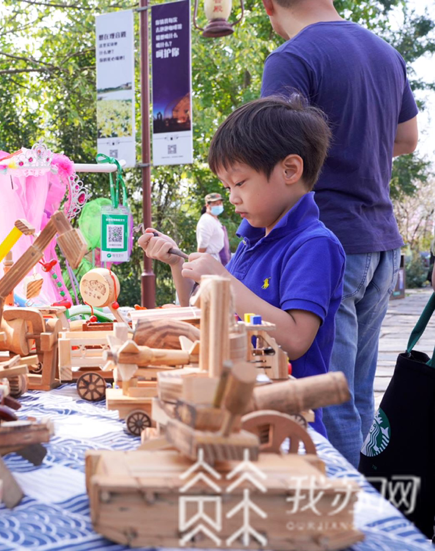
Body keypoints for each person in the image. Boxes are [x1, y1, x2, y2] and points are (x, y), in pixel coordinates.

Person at [260, 0, 419, 466]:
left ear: (270, 6)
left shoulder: (293, 57)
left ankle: (347, 528)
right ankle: (366, 516)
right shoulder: (384, 52)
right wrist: (359, 140)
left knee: (329, 403)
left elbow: (271, 153)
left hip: (326, 246)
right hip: (380, 243)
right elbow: (407, 140)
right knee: (357, 398)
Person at [139, 95, 344, 436]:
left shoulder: (313, 245)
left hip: (285, 420)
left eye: (240, 183)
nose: (232, 197)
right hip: (236, 411)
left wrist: (221, 278)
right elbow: (206, 315)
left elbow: (294, 339)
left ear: (290, 170)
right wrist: (179, 265)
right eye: (226, 187)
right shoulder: (252, 243)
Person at [197, 192, 231, 265]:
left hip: (221, 259)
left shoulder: (215, 220)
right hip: (212, 261)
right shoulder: (206, 220)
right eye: (216, 204)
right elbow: (202, 246)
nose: (219, 206)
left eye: (220, 203)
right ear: (207, 205)